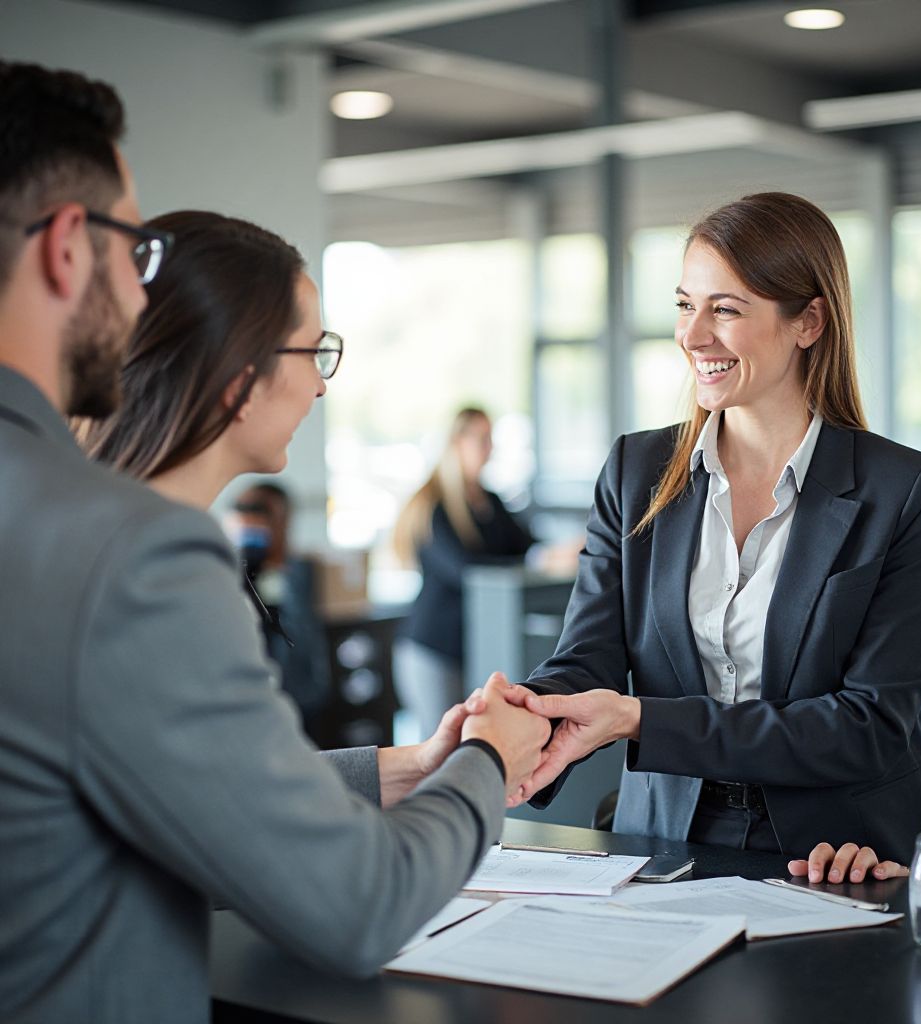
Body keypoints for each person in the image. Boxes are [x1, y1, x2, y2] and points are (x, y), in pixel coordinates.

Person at [0, 62, 548, 1024]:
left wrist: (407, 768)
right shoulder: (130, 556)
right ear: (65, 248)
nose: (138, 299)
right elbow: (356, 905)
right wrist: (488, 767)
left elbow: (127, 783)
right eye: (131, 252)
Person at [502, 192, 921, 884]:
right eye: (686, 304)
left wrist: (641, 719)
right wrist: (521, 721)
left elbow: (868, 724)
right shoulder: (635, 473)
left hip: (838, 850)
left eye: (727, 309)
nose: (693, 335)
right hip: (662, 836)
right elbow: (586, 660)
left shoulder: (904, 491)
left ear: (809, 321)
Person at [392, 407, 534, 740]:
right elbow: (464, 570)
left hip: (473, 645)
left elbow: (526, 546)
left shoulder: (490, 501)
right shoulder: (434, 505)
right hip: (433, 649)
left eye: (491, 440)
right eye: (482, 439)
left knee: (472, 744)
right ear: (458, 442)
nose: (489, 449)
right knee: (439, 750)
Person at [226, 482, 332, 733]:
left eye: (260, 510)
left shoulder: (298, 571)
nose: (250, 518)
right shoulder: (227, 570)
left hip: (297, 695)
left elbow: (300, 637)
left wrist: (277, 562)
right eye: (242, 509)